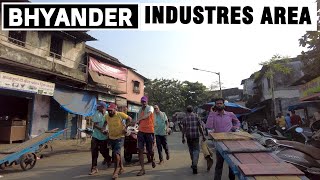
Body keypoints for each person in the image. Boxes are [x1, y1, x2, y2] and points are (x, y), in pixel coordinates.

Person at [205, 98, 241, 180]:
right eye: (217, 103)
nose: (219, 105)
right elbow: (209, 126)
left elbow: (237, 122)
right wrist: (211, 112)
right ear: (215, 105)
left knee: (231, 163)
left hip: (230, 142)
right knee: (219, 164)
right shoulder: (213, 115)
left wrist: (235, 128)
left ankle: (232, 178)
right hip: (219, 143)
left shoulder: (230, 114)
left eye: (220, 103)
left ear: (224, 105)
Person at [104, 103, 132, 179]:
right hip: (111, 137)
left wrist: (126, 127)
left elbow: (129, 118)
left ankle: (115, 172)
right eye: (108, 110)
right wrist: (104, 129)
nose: (109, 112)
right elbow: (105, 122)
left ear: (115, 110)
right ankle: (122, 168)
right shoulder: (107, 116)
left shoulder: (120, 114)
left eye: (111, 110)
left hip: (120, 137)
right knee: (116, 154)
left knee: (116, 154)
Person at [181, 105, 206, 174]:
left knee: (191, 150)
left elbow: (183, 129)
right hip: (196, 136)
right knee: (196, 150)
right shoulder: (196, 116)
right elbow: (200, 127)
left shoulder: (185, 118)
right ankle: (195, 163)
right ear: (192, 110)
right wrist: (203, 135)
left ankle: (193, 163)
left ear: (187, 110)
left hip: (188, 136)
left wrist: (183, 137)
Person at [89, 101, 112, 175]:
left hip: (105, 136)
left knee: (103, 151)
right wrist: (101, 129)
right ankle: (94, 167)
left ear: (103, 107)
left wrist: (107, 131)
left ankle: (108, 159)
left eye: (98, 106)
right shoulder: (96, 113)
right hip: (96, 136)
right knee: (94, 152)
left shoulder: (108, 114)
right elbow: (95, 125)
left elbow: (110, 124)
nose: (97, 107)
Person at [136, 96, 156, 176]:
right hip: (141, 131)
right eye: (142, 102)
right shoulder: (140, 110)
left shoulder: (150, 108)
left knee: (150, 150)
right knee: (140, 150)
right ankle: (142, 169)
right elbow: (139, 121)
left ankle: (152, 158)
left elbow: (148, 115)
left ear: (147, 102)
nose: (143, 103)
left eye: (144, 101)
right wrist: (136, 123)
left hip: (149, 131)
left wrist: (140, 119)